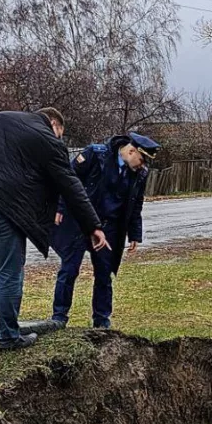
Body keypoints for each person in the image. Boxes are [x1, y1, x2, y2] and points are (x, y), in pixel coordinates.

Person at [0, 108, 110, 350]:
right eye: (60, 134)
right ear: (54, 123)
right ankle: (9, 337)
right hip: (4, 207)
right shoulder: (47, 140)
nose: (59, 140)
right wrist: (93, 226)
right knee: (8, 271)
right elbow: (70, 185)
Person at [51, 132, 160, 329]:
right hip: (81, 223)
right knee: (69, 270)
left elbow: (136, 204)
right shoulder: (96, 154)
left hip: (109, 228)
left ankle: (101, 321)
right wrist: (60, 206)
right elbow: (68, 179)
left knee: (104, 274)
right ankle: (59, 317)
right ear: (131, 150)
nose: (142, 165)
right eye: (141, 159)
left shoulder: (139, 174)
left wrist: (135, 233)